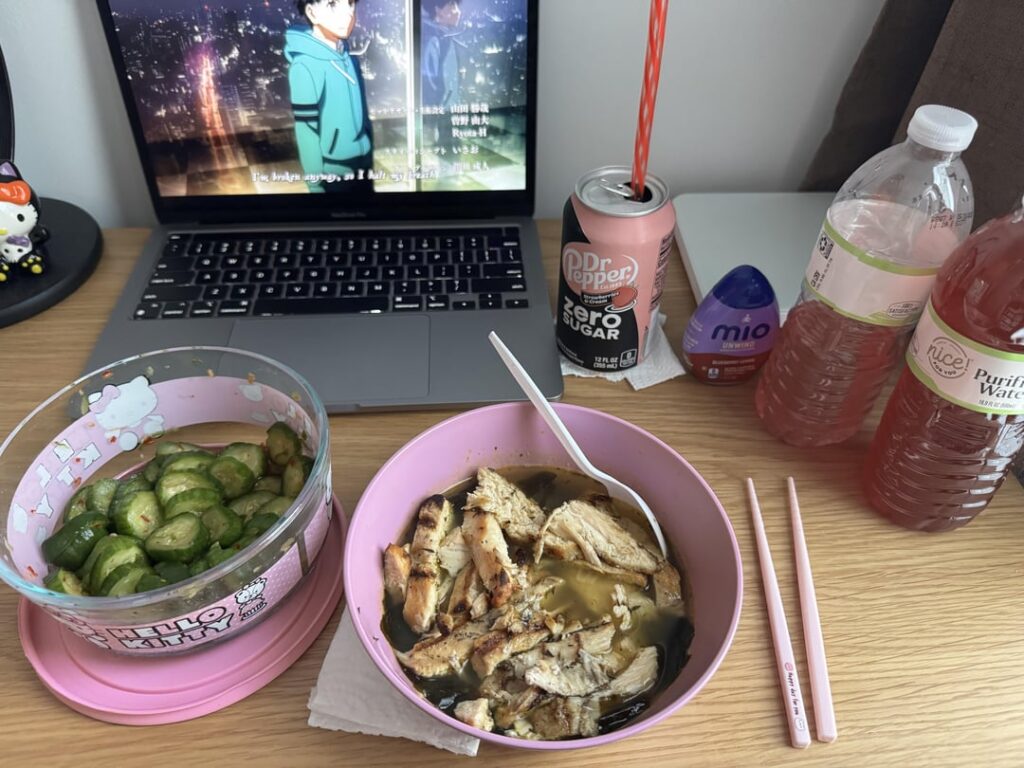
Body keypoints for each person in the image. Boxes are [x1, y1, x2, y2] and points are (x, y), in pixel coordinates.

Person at [285, 0, 374, 193]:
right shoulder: (304, 66)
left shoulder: (350, 59)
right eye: (332, 4)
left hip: (364, 163)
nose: (347, 13)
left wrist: (369, 145)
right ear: (311, 12)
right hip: (335, 171)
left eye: (350, 3)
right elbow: (306, 128)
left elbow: (363, 113)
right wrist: (315, 184)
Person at [421, 0, 465, 163]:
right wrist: (436, 107)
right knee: (449, 147)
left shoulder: (444, 34)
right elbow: (429, 77)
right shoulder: (436, 37)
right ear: (438, 10)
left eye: (457, 6)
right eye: (451, 6)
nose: (457, 11)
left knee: (450, 143)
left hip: (448, 103)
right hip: (444, 105)